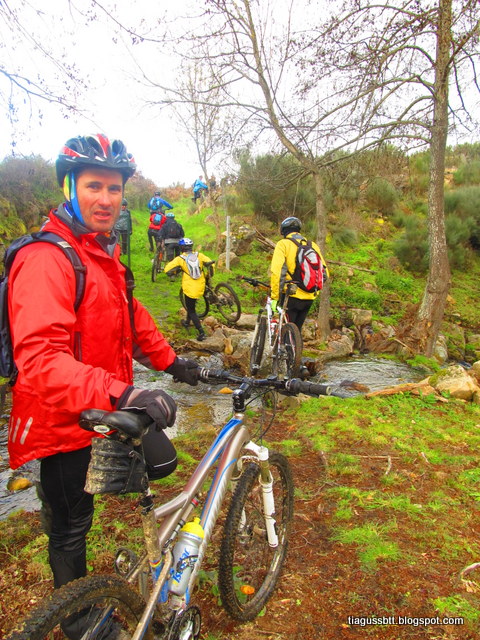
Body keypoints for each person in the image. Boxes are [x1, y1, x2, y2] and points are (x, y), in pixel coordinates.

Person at [6, 134, 200, 607]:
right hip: (62, 420)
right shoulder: (47, 259)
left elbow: (130, 318)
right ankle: (77, 619)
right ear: (69, 188)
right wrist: (126, 395)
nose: (106, 199)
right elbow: (41, 361)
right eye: (94, 186)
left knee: (163, 463)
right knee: (72, 524)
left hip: (101, 406)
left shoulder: (100, 252)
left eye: (114, 189)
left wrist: (172, 363)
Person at [270, 216, 327, 332]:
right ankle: (296, 343)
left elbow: (277, 272)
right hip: (310, 296)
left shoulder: (283, 244)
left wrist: (275, 297)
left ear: (283, 231)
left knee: (286, 332)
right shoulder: (313, 245)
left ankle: (285, 343)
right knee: (296, 332)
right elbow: (325, 273)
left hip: (291, 296)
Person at [164, 237, 213, 342]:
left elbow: (167, 269)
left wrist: (176, 270)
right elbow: (211, 263)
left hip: (190, 287)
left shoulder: (180, 259)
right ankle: (187, 322)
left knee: (191, 310)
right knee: (191, 304)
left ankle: (201, 332)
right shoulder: (199, 255)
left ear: (181, 248)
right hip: (201, 285)